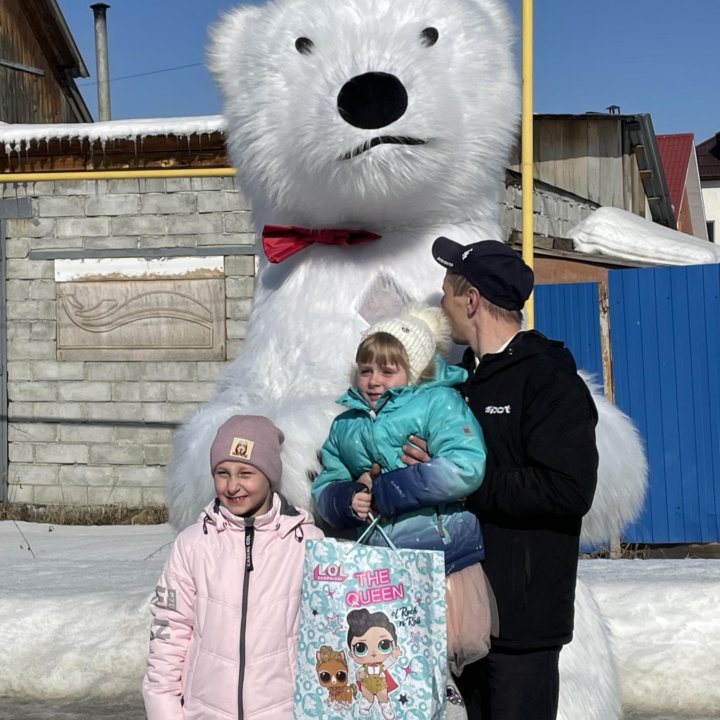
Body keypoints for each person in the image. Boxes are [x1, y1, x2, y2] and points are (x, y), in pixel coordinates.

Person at [414, 236, 599, 720]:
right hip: (458, 616)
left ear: (471, 299)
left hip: (521, 627)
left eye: (446, 294)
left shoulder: (547, 380)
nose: (441, 306)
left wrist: (460, 477)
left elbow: (568, 489)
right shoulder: (461, 381)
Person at [311, 303, 494, 685]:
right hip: (378, 569)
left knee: (438, 673)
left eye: (387, 371)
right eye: (366, 370)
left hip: (441, 561)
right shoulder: (347, 423)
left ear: (415, 371)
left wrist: (390, 490)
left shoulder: (438, 403)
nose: (374, 381)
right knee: (388, 671)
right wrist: (346, 499)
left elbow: (466, 466)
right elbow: (327, 481)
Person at [142, 414, 324, 720]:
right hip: (205, 711)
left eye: (246, 473)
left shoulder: (306, 542)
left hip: (284, 711)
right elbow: (168, 633)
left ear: (270, 474)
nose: (233, 485)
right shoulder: (194, 544)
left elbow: (325, 635)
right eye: (222, 472)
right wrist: (165, 711)